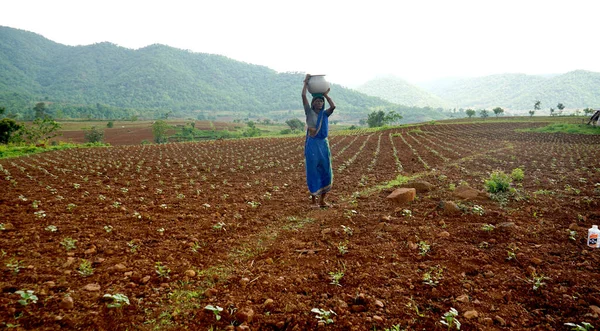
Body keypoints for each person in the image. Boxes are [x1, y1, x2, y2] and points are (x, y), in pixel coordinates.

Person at [302, 74, 336, 208]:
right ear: (313, 103)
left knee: (325, 170)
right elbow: (304, 96)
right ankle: (313, 201)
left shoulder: (325, 114)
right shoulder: (309, 112)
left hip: (323, 144)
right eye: (317, 101)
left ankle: (323, 200)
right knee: (313, 170)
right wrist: (305, 83)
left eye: (321, 101)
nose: (319, 103)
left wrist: (326, 95)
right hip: (313, 144)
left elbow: (333, 107)